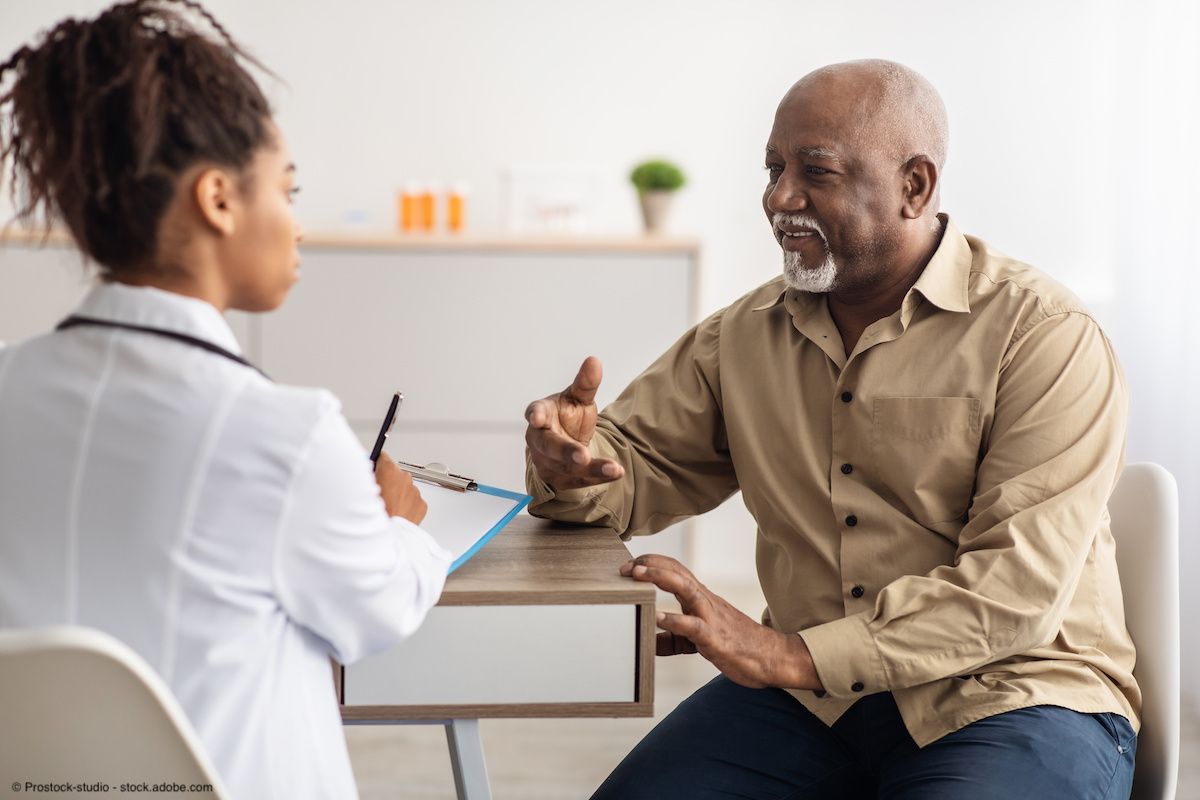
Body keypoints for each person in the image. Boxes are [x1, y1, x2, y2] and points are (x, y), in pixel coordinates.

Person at [524, 60, 1139, 799]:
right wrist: (575, 466)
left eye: (815, 171)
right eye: (773, 168)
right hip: (811, 704)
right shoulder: (742, 335)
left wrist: (786, 655)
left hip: (1013, 693)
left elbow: (1012, 591)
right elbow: (639, 467)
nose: (780, 197)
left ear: (915, 186)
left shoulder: (1042, 335)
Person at [0, 2, 451, 797]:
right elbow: (375, 614)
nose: (297, 224)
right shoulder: (284, 434)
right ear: (218, 199)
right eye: (288, 189)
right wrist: (403, 529)